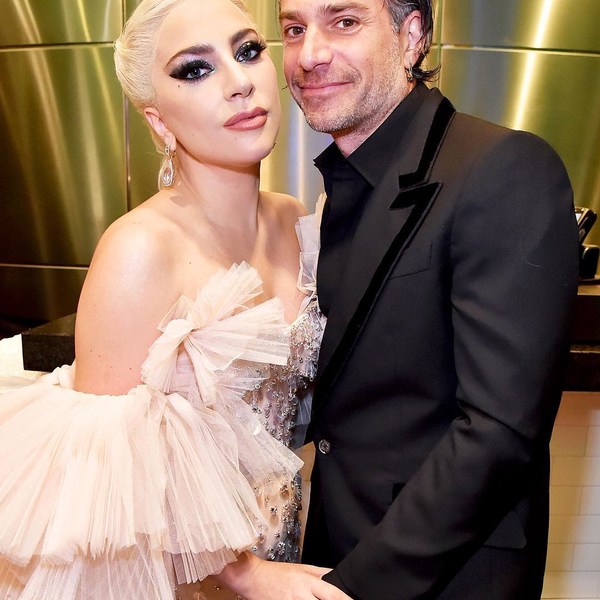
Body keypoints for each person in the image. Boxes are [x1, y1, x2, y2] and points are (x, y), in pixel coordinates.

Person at [0, 0, 352, 599]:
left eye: (248, 51)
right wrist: (245, 574)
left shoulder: (294, 223)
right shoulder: (138, 250)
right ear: (158, 121)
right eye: (195, 69)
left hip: (287, 560)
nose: (239, 82)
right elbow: (104, 483)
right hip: (174, 581)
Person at [279, 0, 580, 598]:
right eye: (293, 28)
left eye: (344, 21)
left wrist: (354, 589)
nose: (309, 54)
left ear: (411, 35)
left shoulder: (503, 167)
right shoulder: (341, 191)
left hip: (441, 578)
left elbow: (499, 433)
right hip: (336, 555)